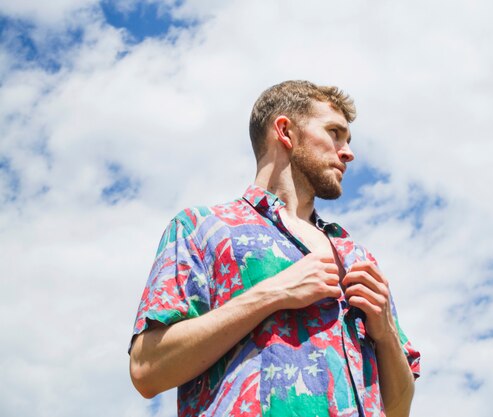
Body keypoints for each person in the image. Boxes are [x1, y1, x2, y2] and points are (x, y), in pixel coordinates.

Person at [129, 80, 420, 417]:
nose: (348, 152)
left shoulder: (359, 259)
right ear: (285, 131)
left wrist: (384, 334)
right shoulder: (204, 228)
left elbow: (398, 410)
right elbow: (146, 370)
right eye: (334, 133)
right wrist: (272, 293)